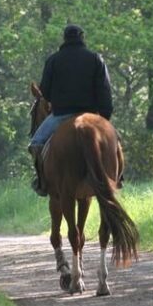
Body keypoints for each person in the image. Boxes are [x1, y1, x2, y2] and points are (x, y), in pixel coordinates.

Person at [29, 24, 113, 196]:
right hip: (92, 114)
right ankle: (117, 177)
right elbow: (105, 91)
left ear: (64, 38)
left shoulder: (53, 60)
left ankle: (42, 182)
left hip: (61, 115)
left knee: (36, 143)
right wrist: (104, 118)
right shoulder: (96, 59)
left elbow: (44, 91)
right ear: (82, 37)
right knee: (115, 140)